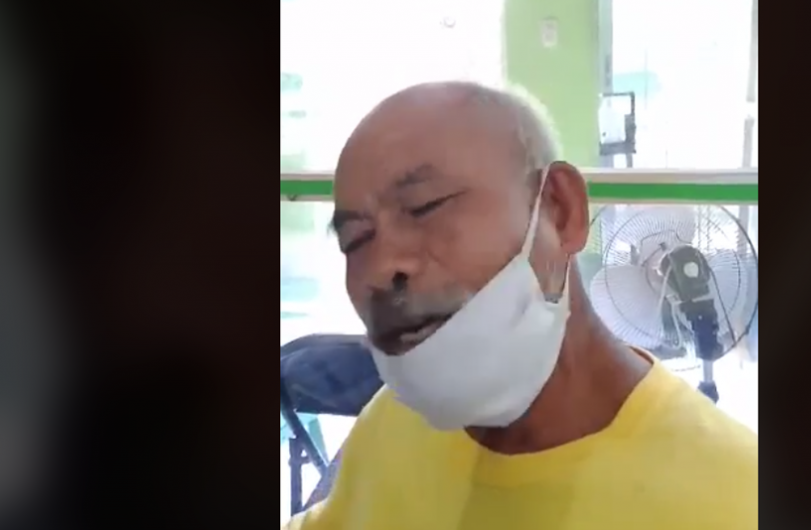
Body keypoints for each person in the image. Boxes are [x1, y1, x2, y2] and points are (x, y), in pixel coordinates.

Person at [285, 81, 757, 530]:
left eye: (424, 206)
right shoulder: (395, 422)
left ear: (560, 210)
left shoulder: (736, 501)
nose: (379, 267)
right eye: (355, 240)